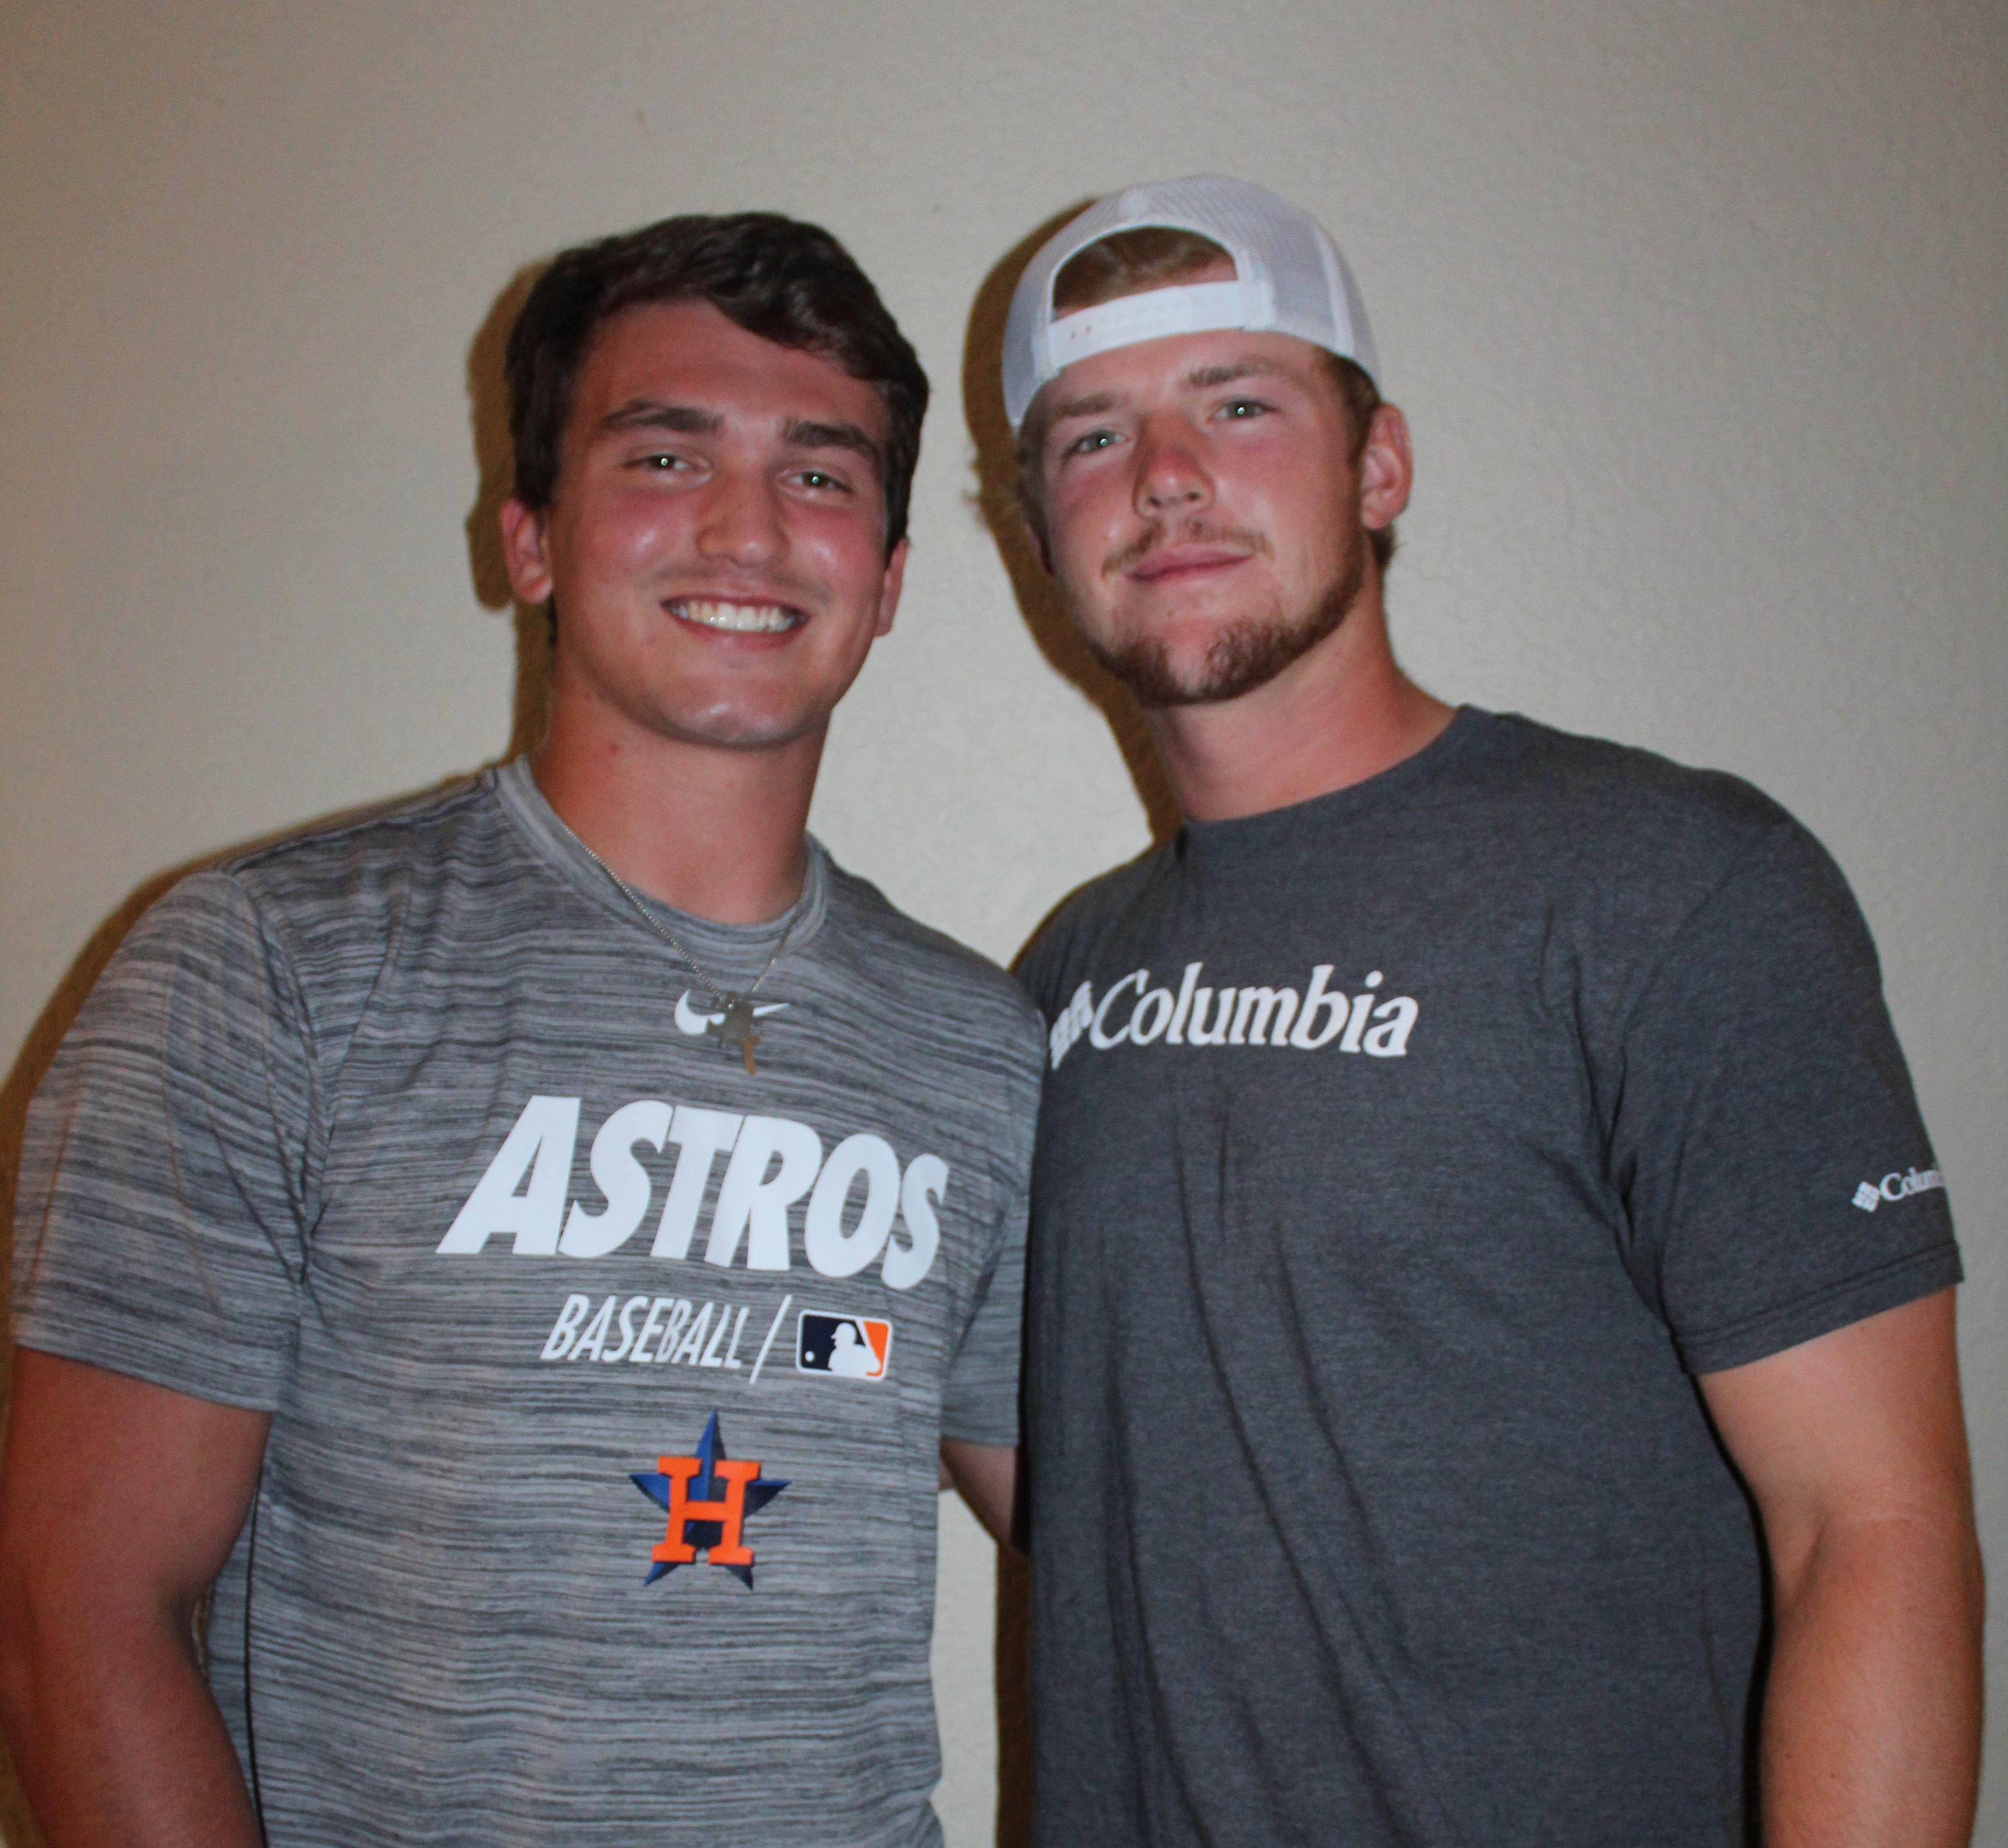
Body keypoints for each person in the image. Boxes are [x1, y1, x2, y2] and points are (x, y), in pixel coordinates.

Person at [1, 211, 1040, 1846]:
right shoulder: (267, 968)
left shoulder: (982, 1048)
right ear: (532, 539)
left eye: (822, 473)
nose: (750, 528)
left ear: (890, 579)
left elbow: (1137, 1544)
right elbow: (76, 1614)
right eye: (665, 457)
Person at [994, 176, 1981, 1847]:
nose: (1165, 473)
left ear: (1379, 466)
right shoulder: (1065, 980)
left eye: (1239, 404)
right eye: (1094, 435)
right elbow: (1076, 1481)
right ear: (1039, 532)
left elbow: (1871, 1527)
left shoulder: (1671, 884)